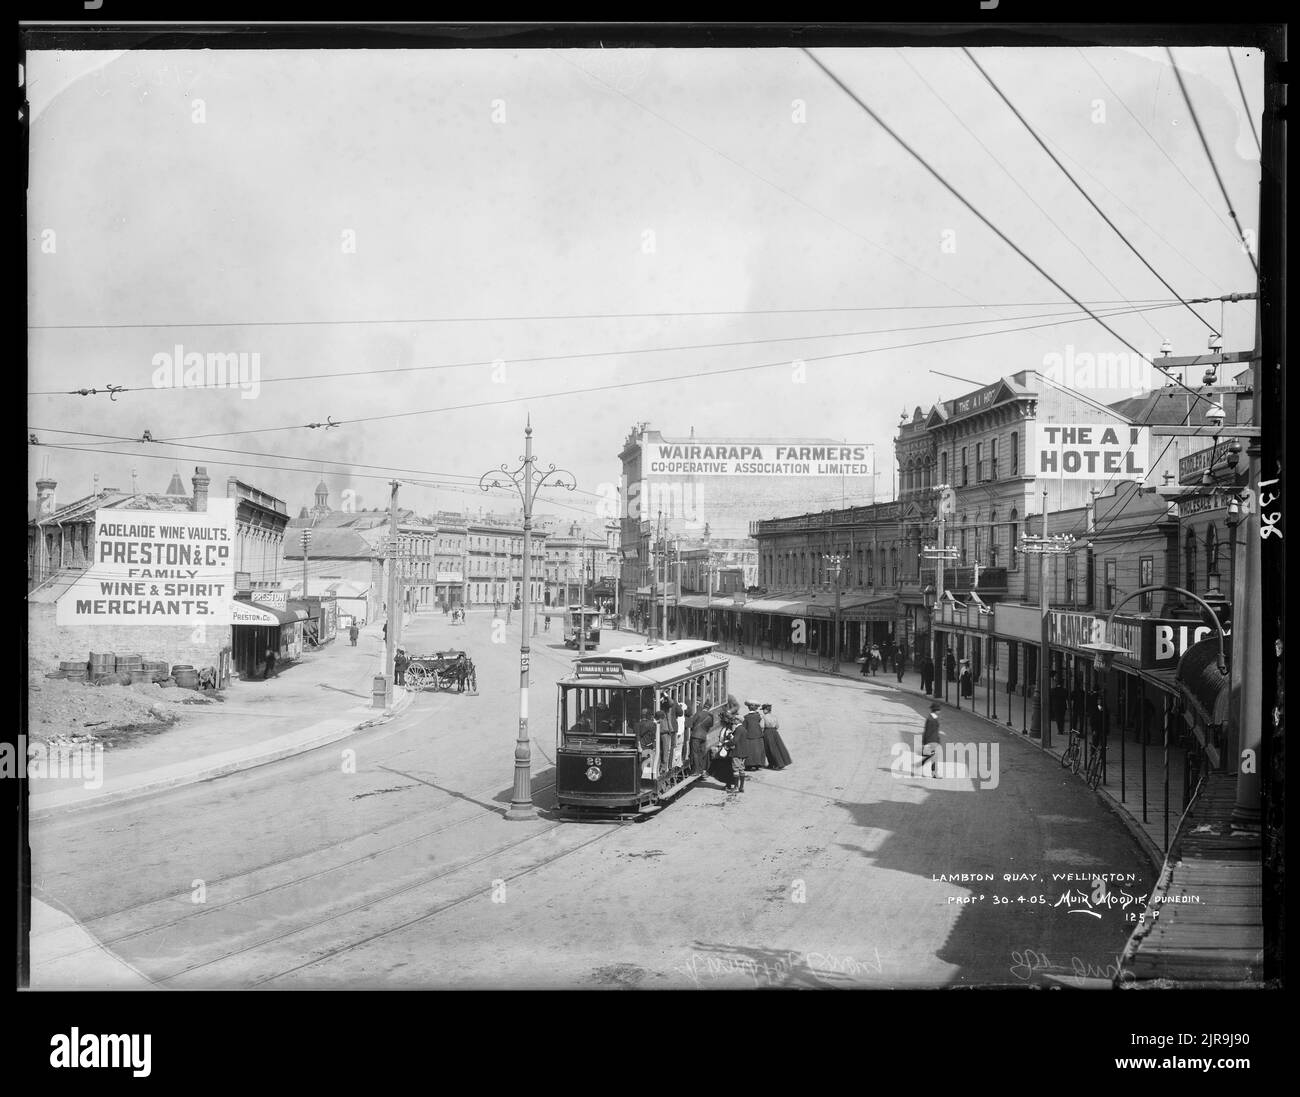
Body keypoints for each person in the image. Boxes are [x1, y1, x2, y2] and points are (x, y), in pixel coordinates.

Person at [760, 703, 792, 770]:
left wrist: (762, 733)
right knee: (778, 747)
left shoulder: (763, 717)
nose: (763, 711)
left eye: (763, 709)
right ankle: (780, 763)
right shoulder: (774, 716)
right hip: (774, 732)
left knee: (769, 748)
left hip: (767, 732)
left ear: (766, 710)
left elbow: (762, 726)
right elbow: (777, 726)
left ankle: (773, 764)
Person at [688, 699, 714, 776]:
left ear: (704, 706)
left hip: (695, 735)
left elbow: (691, 722)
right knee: (701, 753)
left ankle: (696, 771)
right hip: (703, 736)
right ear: (709, 707)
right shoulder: (710, 716)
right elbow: (710, 725)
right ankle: (701, 769)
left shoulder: (699, 713)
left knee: (695, 753)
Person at [741, 700, 767, 771]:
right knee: (758, 750)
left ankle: (750, 765)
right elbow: (762, 726)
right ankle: (758, 764)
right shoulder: (759, 716)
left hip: (749, 736)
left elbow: (744, 727)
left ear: (749, 708)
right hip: (758, 735)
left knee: (750, 750)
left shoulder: (746, 717)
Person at [921, 701, 942, 776]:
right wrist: (925, 743)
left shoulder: (933, 718)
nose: (939, 711)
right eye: (939, 710)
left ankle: (933, 772)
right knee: (933, 757)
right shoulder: (931, 719)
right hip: (931, 741)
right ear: (936, 710)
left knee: (932, 757)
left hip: (933, 740)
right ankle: (934, 773)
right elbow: (927, 732)